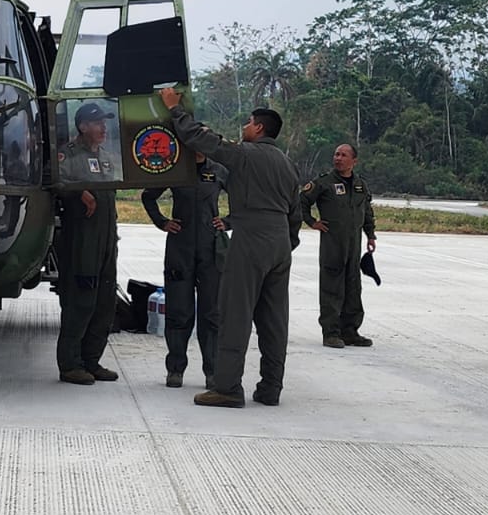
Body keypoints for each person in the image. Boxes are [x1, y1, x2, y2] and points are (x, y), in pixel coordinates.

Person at [158, 88, 301, 408]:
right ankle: (270, 388)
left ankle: (227, 387)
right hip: (279, 243)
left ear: (259, 128)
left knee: (234, 314)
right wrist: (286, 244)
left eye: (249, 123)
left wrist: (175, 110)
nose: (245, 128)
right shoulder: (287, 164)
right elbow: (296, 213)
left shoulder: (244, 154)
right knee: (274, 320)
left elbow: (204, 140)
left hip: (251, 240)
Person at [139, 154, 229, 388]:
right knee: (179, 311)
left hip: (211, 249)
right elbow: (148, 196)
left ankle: (213, 371)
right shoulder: (175, 168)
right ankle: (175, 369)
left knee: (212, 314)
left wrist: (228, 222)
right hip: (181, 247)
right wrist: (162, 221)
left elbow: (244, 198)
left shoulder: (219, 170)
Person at [53, 101, 121, 385]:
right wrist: (78, 191)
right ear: (82, 127)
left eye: (104, 122)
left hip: (106, 240)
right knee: (80, 300)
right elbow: (53, 182)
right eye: (97, 123)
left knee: (104, 303)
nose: (103, 127)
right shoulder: (67, 156)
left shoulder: (106, 157)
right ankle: (71, 364)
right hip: (82, 241)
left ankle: (91, 361)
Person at [301, 143, 377, 348]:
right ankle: (331, 332)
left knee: (353, 287)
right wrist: (312, 222)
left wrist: (371, 235)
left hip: (354, 244)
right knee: (331, 287)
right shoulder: (324, 183)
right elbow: (301, 202)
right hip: (333, 244)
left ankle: (350, 331)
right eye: (336, 154)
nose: (338, 158)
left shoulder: (361, 185)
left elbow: (367, 211)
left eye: (343, 155)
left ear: (354, 161)